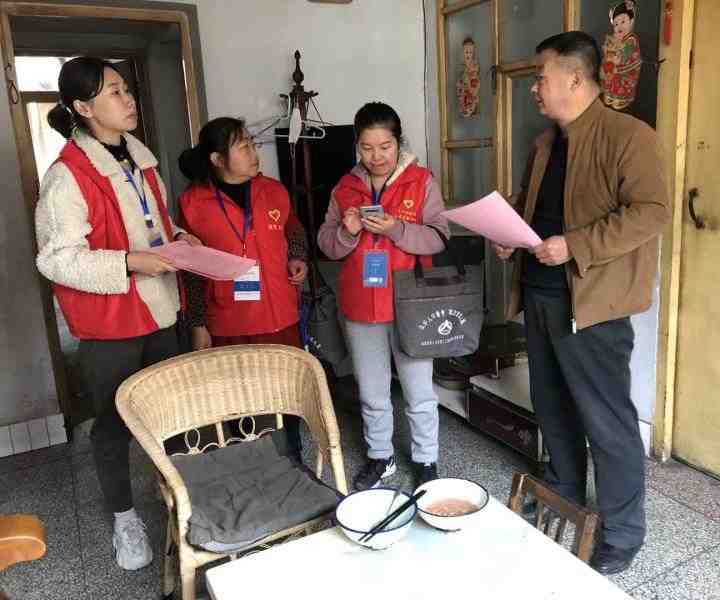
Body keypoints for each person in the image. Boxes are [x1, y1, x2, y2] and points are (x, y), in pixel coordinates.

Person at [493, 31, 670, 575]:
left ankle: (622, 532)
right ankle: (563, 493)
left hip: (592, 304)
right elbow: (532, 206)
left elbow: (651, 211)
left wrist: (575, 245)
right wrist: (508, 232)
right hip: (542, 296)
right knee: (551, 405)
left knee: (606, 419)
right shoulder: (546, 143)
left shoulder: (628, 136)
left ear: (574, 77)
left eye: (540, 77)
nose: (534, 89)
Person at [35, 57, 202, 570]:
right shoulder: (68, 175)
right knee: (112, 425)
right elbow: (56, 259)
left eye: (127, 89)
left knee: (169, 413)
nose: (129, 100)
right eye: (114, 92)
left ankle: (177, 499)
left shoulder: (140, 160)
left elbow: (153, 225)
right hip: (110, 325)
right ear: (83, 108)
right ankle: (124, 519)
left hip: (161, 311)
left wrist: (180, 239)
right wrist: (129, 262)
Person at [318, 102, 449, 491]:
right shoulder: (345, 188)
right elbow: (326, 244)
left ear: (398, 142)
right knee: (372, 389)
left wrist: (396, 229)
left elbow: (439, 237)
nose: (376, 156)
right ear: (357, 146)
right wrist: (347, 231)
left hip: (410, 302)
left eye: (385, 146)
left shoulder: (422, 181)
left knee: (418, 389)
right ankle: (380, 456)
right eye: (367, 147)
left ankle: (426, 459)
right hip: (361, 302)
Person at [177, 117, 308, 456]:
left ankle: (293, 462)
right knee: (241, 403)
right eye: (244, 146)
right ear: (218, 159)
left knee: (288, 397)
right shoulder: (193, 204)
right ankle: (254, 466)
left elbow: (292, 227)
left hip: (281, 317)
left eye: (253, 143)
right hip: (231, 323)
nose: (254, 152)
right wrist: (198, 324)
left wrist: (297, 256)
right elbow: (190, 271)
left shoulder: (273, 190)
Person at [600, 0, 643, 111]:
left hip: (626, 71)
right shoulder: (618, 38)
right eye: (616, 24)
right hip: (616, 68)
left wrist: (614, 56)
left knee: (616, 77)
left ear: (631, 21)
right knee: (609, 73)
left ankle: (621, 98)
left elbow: (623, 57)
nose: (619, 26)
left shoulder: (631, 40)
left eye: (623, 21)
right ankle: (610, 96)